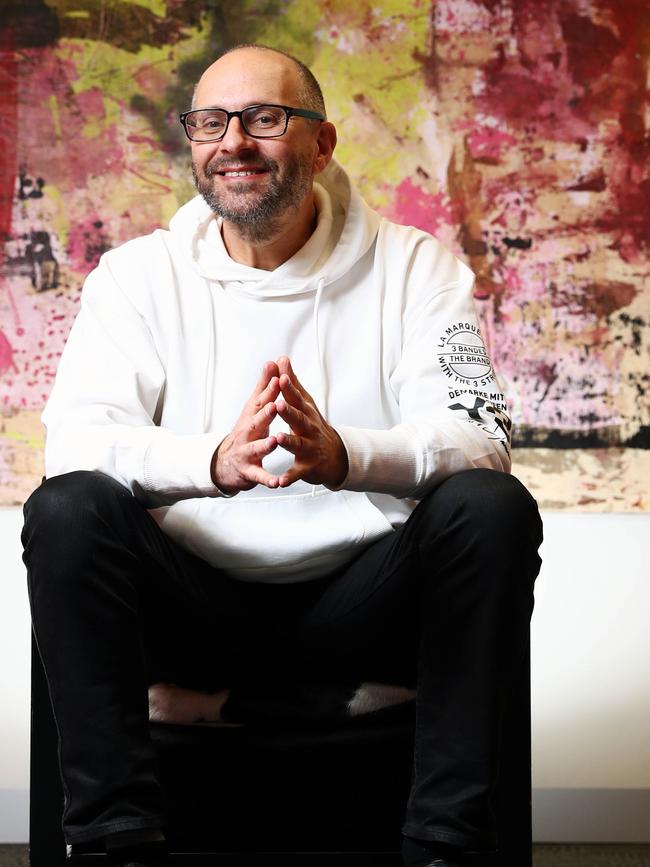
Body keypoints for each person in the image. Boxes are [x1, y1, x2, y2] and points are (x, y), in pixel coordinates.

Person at [22, 44, 542, 867]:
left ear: (323, 143)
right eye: (211, 121)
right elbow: (73, 445)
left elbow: (481, 436)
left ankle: (445, 845)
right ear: (192, 141)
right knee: (66, 508)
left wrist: (344, 456)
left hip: (363, 606)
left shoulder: (417, 268)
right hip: (193, 606)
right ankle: (116, 844)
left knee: (490, 506)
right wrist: (213, 463)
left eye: (265, 118)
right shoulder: (134, 279)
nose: (234, 141)